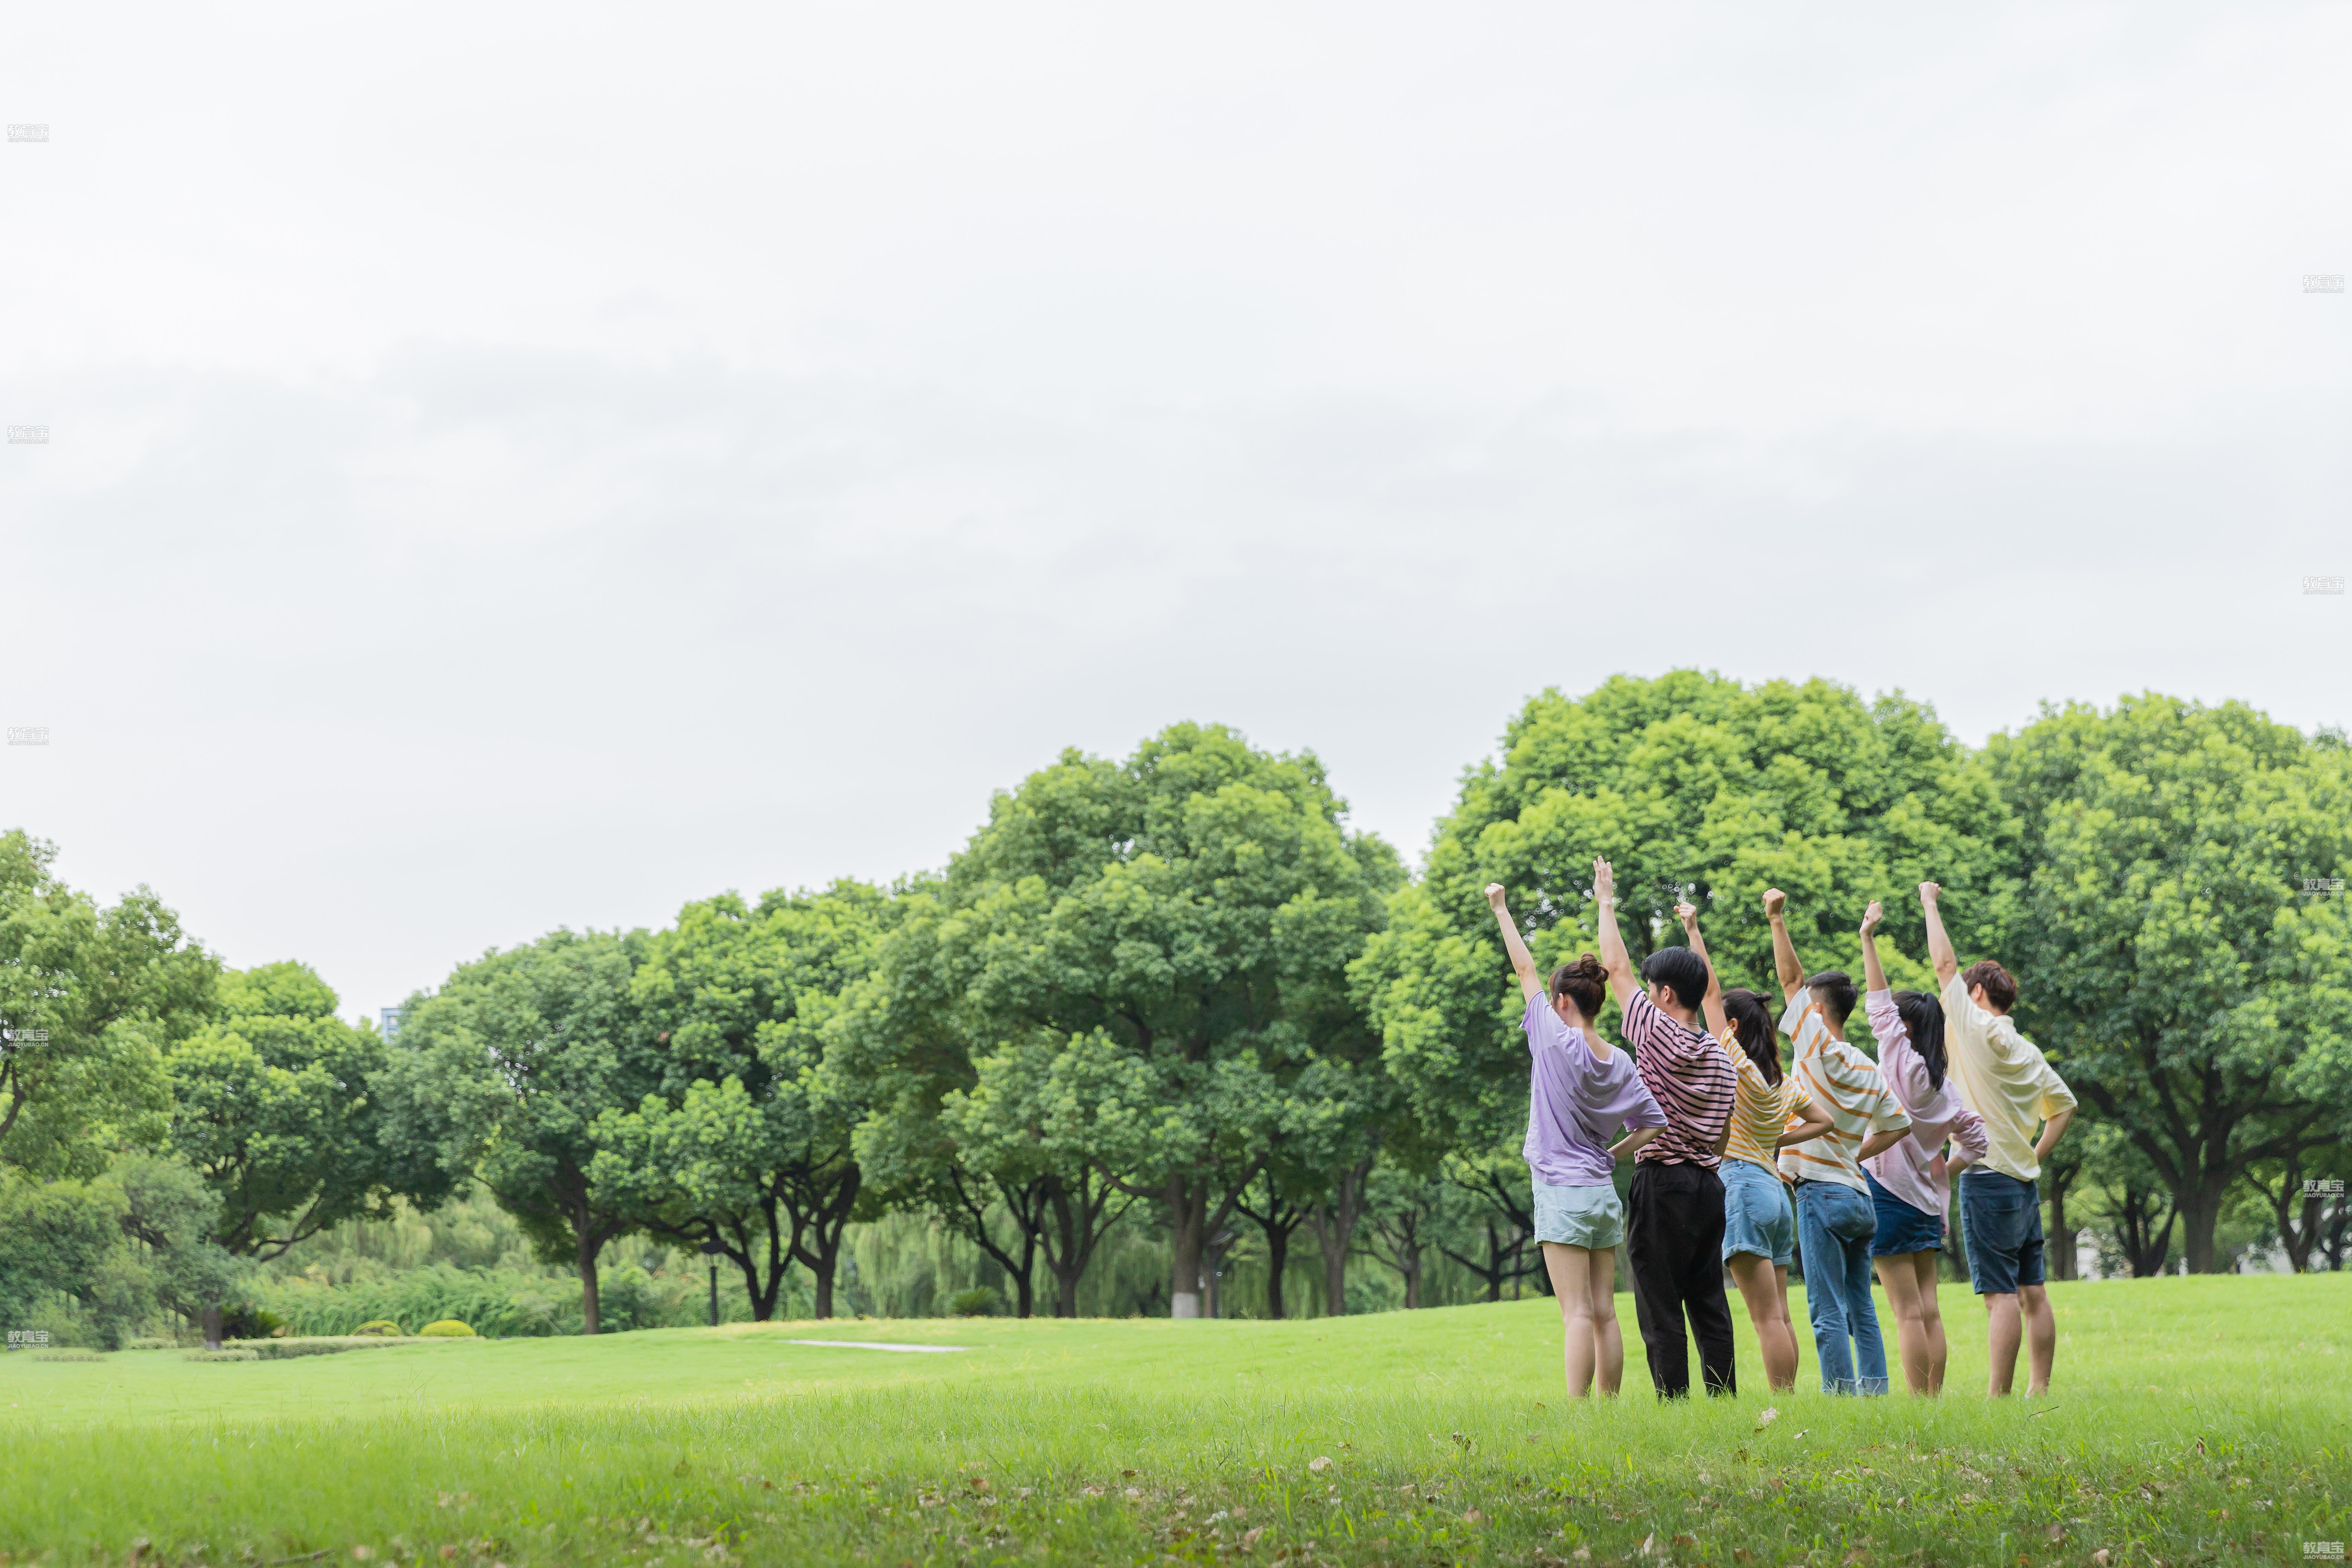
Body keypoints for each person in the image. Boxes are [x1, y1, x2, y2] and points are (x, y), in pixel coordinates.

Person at [1485, 884, 1668, 1398]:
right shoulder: (1620, 1061)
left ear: (1562, 1000)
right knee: (1607, 1310)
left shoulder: (1551, 1037)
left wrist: (1502, 909)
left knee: (1577, 1314)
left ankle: (1579, 1409)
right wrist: (1612, 1155)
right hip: (1600, 1193)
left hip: (1561, 1193)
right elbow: (1653, 1124)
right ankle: (1608, 1407)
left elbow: (1524, 972)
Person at [1919, 881, 2077, 1397]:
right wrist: (2032, 1155)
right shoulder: (2029, 1052)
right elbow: (2065, 1107)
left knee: (2000, 1297)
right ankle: (2039, 1390)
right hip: (2023, 1184)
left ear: (1979, 994)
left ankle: (1998, 1397)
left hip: (1989, 1182)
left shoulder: (1975, 1029)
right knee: (2034, 1292)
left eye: (1966, 992)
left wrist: (1930, 902)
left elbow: (1945, 966)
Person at [1591, 858, 1739, 1398]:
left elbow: (1616, 969)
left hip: (1664, 1184)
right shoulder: (1723, 1059)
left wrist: (1606, 901)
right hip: (1708, 1186)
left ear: (1667, 995)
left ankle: (1674, 1404)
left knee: (1658, 1301)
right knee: (1709, 1301)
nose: (1645, 995)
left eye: (1653, 989)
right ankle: (1723, 1399)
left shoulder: (1659, 1034)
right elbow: (1723, 1138)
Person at [1674, 900, 1831, 1393]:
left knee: (1764, 1318)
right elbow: (1824, 1121)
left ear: (1736, 1030)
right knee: (1781, 1315)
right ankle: (1788, 1401)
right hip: (1775, 1193)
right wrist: (1778, 1138)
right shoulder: (1782, 1083)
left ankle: (1781, 1405)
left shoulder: (1736, 1063)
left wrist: (1692, 929)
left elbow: (1709, 992)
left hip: (1741, 1186)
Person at [1763, 889, 1912, 1396]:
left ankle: (1839, 1396)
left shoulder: (1818, 1049)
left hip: (1820, 1194)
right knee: (1862, 1305)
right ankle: (1875, 1391)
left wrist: (1777, 919)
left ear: (1818, 1010)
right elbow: (1898, 1126)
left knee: (1825, 1308)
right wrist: (1854, 1152)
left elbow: (1789, 980)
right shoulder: (1869, 1066)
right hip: (1860, 1198)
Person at [1857, 899, 1989, 1396]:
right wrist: (1945, 1171)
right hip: (1928, 1206)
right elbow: (1978, 1142)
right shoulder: (1944, 1090)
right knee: (1928, 1308)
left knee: (1905, 1311)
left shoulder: (1901, 1065)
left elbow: (1878, 1002)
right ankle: (1930, 1400)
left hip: (1889, 1195)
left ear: (1907, 1030)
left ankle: (1917, 1405)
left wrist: (1868, 938)